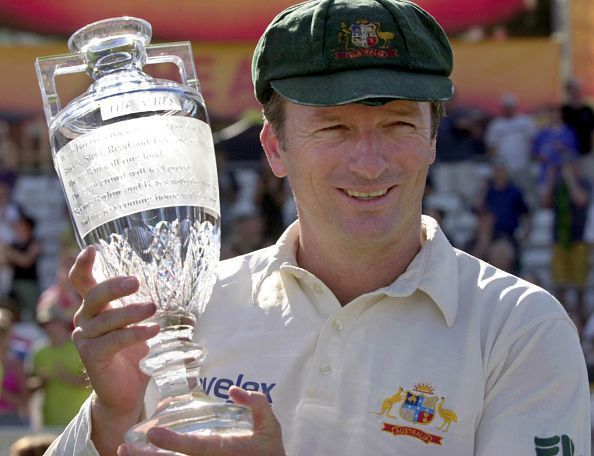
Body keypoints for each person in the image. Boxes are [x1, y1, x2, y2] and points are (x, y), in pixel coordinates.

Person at [47, 1, 590, 455]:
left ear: (432, 139)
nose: (371, 163)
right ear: (275, 148)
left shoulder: (518, 330)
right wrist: (111, 414)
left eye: (399, 123)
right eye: (333, 128)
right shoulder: (192, 310)